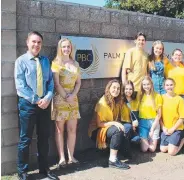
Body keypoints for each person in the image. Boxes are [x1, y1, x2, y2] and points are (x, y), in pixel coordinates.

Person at [14, 31, 58, 180]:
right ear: (27, 42)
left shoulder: (45, 61)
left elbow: (50, 82)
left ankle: (44, 169)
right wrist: (36, 99)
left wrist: (48, 97)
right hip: (28, 105)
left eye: (39, 42)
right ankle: (22, 171)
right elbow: (20, 86)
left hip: (44, 105)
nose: (36, 45)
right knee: (25, 139)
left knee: (44, 138)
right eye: (33, 42)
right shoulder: (21, 61)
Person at [51, 38, 81, 167]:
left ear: (71, 48)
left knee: (72, 129)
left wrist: (72, 95)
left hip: (73, 100)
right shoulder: (56, 63)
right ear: (60, 48)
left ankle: (71, 156)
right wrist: (66, 96)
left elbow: (79, 82)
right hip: (60, 99)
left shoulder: (75, 64)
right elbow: (56, 84)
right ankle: (62, 158)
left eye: (68, 46)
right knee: (59, 130)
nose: (66, 49)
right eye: (64, 47)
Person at [88, 80, 130, 170]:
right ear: (109, 88)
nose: (116, 90)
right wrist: (115, 123)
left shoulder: (117, 101)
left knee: (127, 127)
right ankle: (113, 160)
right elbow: (99, 124)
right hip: (98, 130)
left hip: (109, 127)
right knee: (117, 130)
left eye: (118, 88)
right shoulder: (102, 103)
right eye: (114, 87)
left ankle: (120, 151)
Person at [160, 78, 184, 156]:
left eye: (171, 85)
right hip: (166, 129)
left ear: (174, 85)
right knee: (163, 149)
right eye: (167, 85)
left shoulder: (179, 99)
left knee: (171, 152)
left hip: (176, 129)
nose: (169, 87)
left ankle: (183, 140)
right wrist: (163, 127)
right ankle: (173, 142)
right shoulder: (161, 98)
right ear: (164, 87)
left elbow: (183, 117)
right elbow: (159, 116)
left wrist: (173, 129)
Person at [138, 76, 162, 152]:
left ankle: (150, 137)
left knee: (152, 149)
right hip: (143, 122)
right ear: (142, 85)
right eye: (144, 84)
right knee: (144, 149)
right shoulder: (140, 96)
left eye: (148, 84)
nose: (146, 86)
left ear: (151, 84)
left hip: (154, 122)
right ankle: (145, 138)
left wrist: (152, 129)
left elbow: (159, 114)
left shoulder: (157, 96)